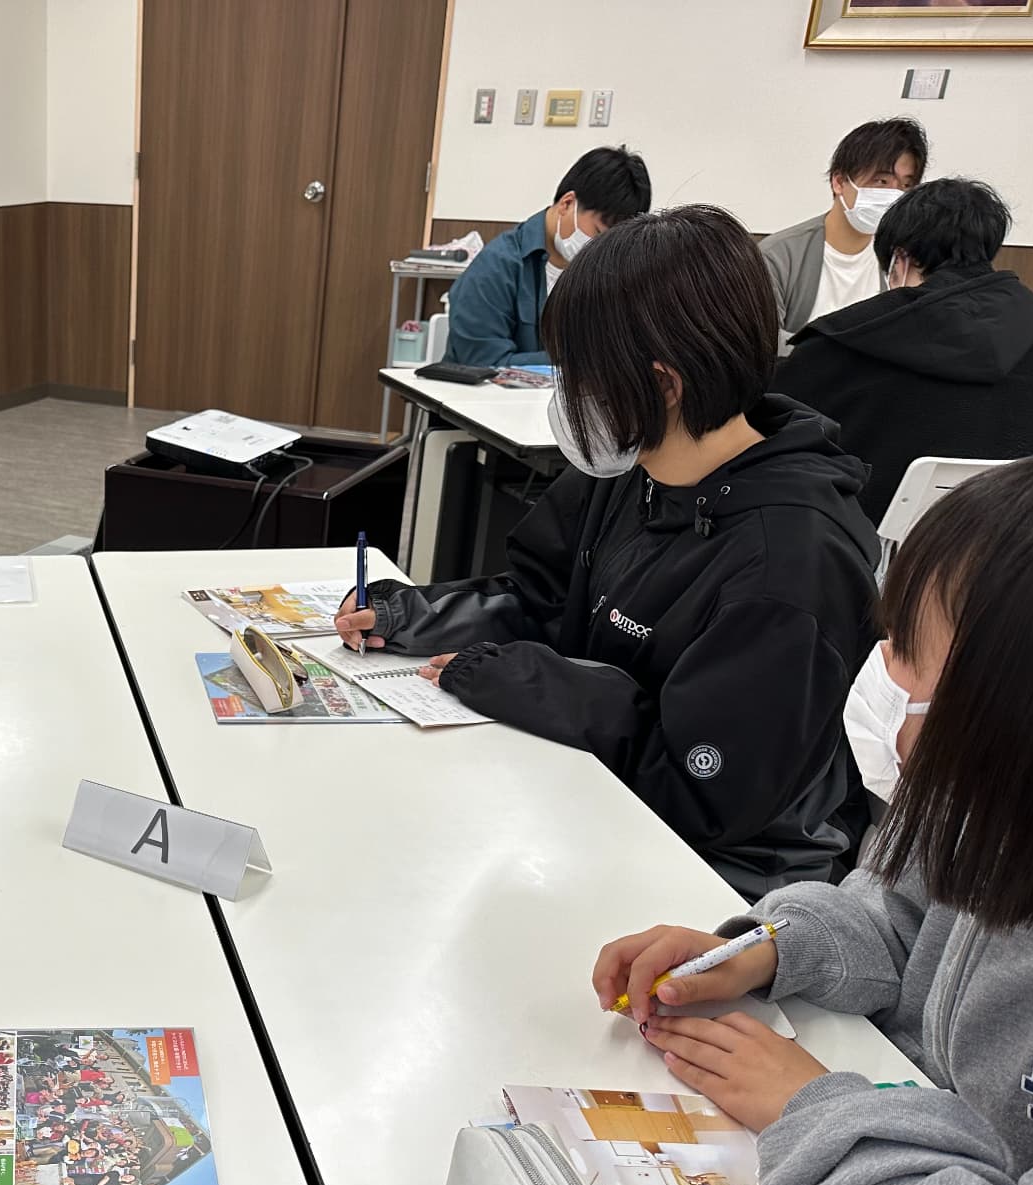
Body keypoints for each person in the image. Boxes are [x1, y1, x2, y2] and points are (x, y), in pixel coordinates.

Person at [591, 453, 1033, 1185]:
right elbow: (904, 910)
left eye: (933, 705)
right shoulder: (1016, 815)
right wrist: (770, 951)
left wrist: (809, 1111)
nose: (903, 747)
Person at [339, 206, 880, 897]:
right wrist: (407, 614)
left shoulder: (790, 565)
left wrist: (538, 681)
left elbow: (706, 793)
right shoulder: (633, 470)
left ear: (663, 384)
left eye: (582, 374)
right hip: (593, 788)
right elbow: (539, 595)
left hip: (716, 872)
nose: (568, 397)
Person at [777, 179, 1033, 524]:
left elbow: (772, 431)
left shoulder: (847, 340)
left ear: (900, 259)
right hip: (1006, 546)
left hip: (858, 550)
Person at [442, 145, 651, 368]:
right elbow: (483, 363)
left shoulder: (606, 275)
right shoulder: (497, 266)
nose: (600, 248)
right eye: (598, 233)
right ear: (567, 203)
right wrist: (576, 362)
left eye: (611, 242)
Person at [758, 118, 927, 351]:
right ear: (839, 182)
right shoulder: (779, 256)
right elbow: (762, 344)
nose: (894, 196)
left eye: (906, 186)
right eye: (881, 181)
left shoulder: (905, 260)